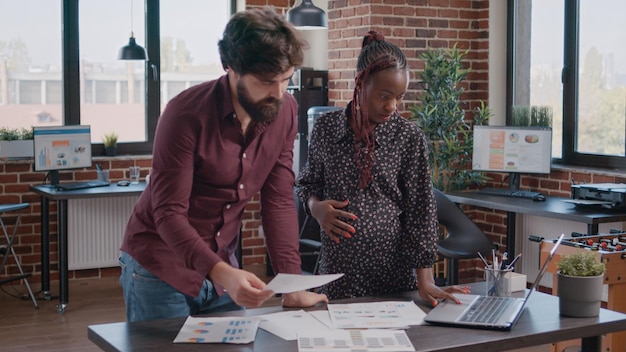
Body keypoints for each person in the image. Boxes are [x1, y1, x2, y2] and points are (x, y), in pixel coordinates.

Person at [119, 7, 328, 322]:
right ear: (231, 67)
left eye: (286, 80)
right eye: (267, 81)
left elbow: (279, 200)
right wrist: (223, 274)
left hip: (222, 272)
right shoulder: (184, 115)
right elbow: (168, 214)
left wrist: (292, 284)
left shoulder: (284, 111)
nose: (279, 93)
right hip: (161, 266)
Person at [296, 31, 469, 305]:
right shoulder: (327, 129)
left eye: (399, 97)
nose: (392, 106)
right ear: (360, 84)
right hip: (338, 277)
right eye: (384, 96)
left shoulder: (408, 137)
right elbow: (307, 184)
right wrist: (316, 208)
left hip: (394, 280)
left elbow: (421, 211)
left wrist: (426, 280)